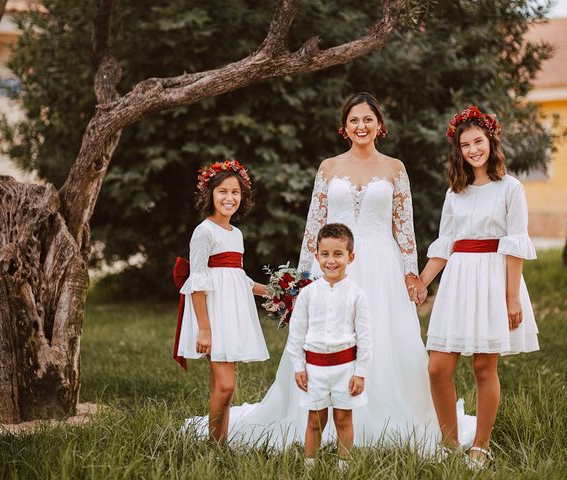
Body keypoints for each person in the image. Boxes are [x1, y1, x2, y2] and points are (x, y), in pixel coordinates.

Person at [210, 92, 475, 452]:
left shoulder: (395, 168)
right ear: (344, 127)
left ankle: (380, 417)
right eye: (354, 120)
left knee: (382, 340)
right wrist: (303, 277)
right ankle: (316, 421)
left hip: (382, 266)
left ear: (379, 125)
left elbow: (404, 228)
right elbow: (314, 226)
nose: (361, 126)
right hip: (331, 266)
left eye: (368, 119)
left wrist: (411, 273)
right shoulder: (329, 168)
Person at [419, 106, 539, 468]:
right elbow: (445, 244)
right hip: (458, 280)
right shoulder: (455, 192)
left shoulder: (510, 188)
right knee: (438, 367)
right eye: (465, 144)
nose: (473, 150)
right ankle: (450, 441)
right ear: (458, 150)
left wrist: (512, 298)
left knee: (484, 368)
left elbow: (515, 244)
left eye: (478, 141)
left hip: (493, 279)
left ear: (491, 141)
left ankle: (481, 446)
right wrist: (421, 284)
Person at [175, 159, 270, 444]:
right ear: (210, 194)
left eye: (235, 193)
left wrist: (275, 292)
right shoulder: (204, 232)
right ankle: (215, 446)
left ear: (243, 197)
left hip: (231, 314)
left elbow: (238, 278)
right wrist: (204, 329)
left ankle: (219, 441)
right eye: (223, 192)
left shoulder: (236, 234)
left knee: (221, 385)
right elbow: (198, 282)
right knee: (227, 386)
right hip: (212, 317)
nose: (230, 198)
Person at [286, 223, 372, 468]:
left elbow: (365, 338)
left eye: (338, 254)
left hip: (345, 368)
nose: (331, 261)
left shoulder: (357, 295)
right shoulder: (308, 294)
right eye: (325, 254)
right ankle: (309, 466)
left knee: (344, 419)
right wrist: (298, 366)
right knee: (315, 420)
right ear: (317, 257)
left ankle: (344, 467)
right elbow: (297, 333)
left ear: (350, 257)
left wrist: (360, 372)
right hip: (314, 370)